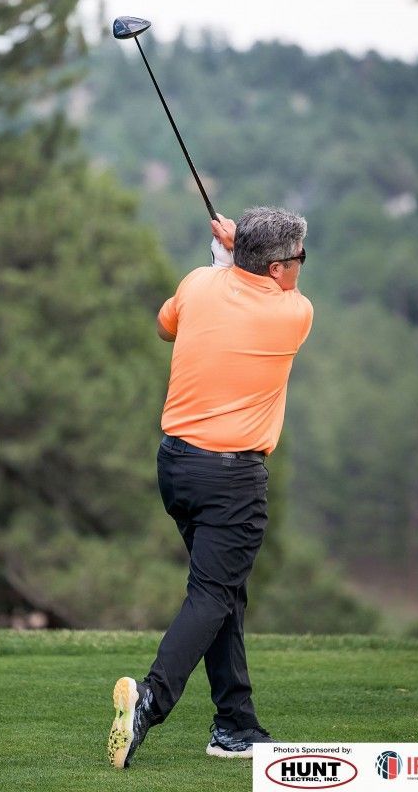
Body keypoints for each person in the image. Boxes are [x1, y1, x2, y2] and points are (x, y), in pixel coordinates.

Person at [107, 206, 313, 769]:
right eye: (299, 259)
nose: (301, 269)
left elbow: (165, 326)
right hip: (231, 479)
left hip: (175, 465)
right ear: (277, 268)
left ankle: (235, 725)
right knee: (213, 594)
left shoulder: (199, 284)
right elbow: (256, 290)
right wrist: (232, 254)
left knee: (224, 592)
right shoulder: (295, 313)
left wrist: (221, 260)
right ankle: (151, 697)